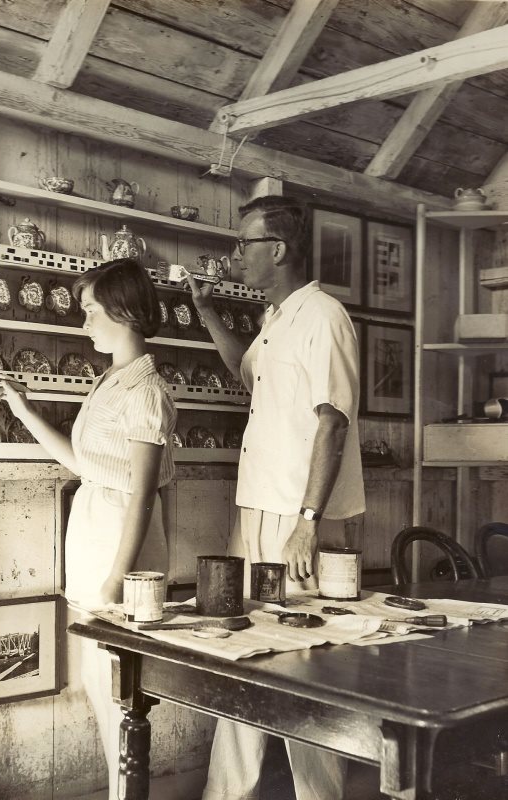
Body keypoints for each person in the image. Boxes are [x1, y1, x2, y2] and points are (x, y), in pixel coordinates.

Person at [187, 195, 365, 800]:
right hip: (257, 512)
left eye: (245, 244)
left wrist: (308, 523)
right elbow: (248, 376)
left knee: (306, 658)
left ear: (279, 249)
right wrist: (209, 315)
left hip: (296, 518)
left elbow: (332, 421)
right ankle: (225, 794)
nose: (237, 255)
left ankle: (322, 796)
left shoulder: (323, 316)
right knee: (245, 647)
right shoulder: (275, 320)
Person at [0, 258, 177, 800]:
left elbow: (143, 493)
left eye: (91, 311)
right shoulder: (112, 380)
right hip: (98, 537)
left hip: (122, 551)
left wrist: (117, 582)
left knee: (120, 696)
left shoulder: (145, 390)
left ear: (122, 311)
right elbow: (84, 463)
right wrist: (22, 409)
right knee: (102, 692)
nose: (84, 324)